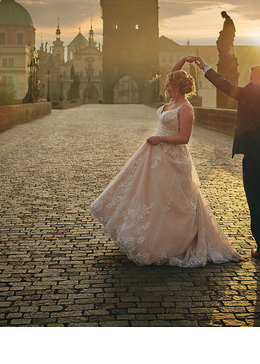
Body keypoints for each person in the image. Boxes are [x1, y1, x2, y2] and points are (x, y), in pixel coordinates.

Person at [90, 57, 241, 267]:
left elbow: (184, 139)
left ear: (177, 88)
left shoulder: (186, 109)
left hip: (173, 159)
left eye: (169, 86)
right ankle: (143, 235)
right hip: (154, 155)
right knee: (148, 195)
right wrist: (184, 60)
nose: (166, 88)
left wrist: (159, 138)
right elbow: (173, 73)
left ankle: (168, 242)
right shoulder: (172, 103)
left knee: (168, 200)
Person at [192, 56, 260, 262]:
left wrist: (205, 67)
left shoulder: (251, 94)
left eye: (252, 77)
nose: (249, 81)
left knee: (257, 203)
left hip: (255, 159)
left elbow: (224, 85)